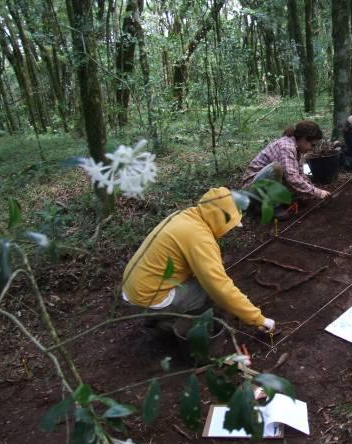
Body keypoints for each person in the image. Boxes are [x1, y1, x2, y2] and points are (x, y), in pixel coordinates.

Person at [122, 187, 275, 334]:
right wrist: (258, 319)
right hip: (150, 297)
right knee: (207, 292)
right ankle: (170, 325)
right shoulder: (200, 239)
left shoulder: (184, 216)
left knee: (204, 282)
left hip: (134, 290)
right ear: (220, 219)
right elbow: (219, 287)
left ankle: (155, 316)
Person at [241, 121, 331, 203]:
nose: (312, 149)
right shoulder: (287, 147)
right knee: (276, 168)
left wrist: (313, 189)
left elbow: (299, 174)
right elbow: (292, 177)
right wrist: (317, 192)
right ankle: (272, 206)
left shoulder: (297, 149)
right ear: (303, 139)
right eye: (312, 145)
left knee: (294, 191)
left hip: (262, 187)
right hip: (251, 191)